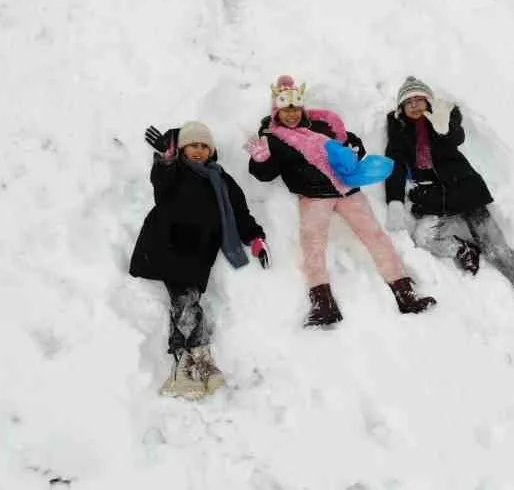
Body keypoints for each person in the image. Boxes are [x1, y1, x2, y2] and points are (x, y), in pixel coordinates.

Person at [245, 75, 436, 328]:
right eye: (285, 110)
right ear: (276, 111)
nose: (291, 115)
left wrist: (354, 150)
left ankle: (405, 292)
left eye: (295, 109)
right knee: (313, 245)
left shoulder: (323, 124)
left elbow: (352, 143)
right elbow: (266, 174)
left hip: (348, 190)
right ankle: (323, 303)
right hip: (313, 197)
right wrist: (260, 160)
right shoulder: (274, 138)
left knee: (375, 236)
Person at [382, 77, 514, 313]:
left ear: (429, 101)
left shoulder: (444, 116)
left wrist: (444, 127)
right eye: (409, 102)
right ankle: (463, 250)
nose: (416, 105)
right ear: (401, 108)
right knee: (423, 238)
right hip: (434, 197)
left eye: (420, 99)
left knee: (494, 246)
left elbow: (456, 139)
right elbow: (395, 165)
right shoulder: (399, 131)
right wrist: (395, 201)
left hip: (465, 189)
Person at [129, 120, 269, 399]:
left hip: (199, 251)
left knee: (189, 300)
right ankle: (190, 364)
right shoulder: (176, 171)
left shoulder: (221, 178)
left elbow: (239, 211)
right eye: (193, 144)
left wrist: (254, 238)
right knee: (184, 301)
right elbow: (161, 188)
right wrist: (166, 162)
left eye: (205, 146)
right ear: (182, 148)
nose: (199, 150)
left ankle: (195, 365)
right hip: (167, 243)